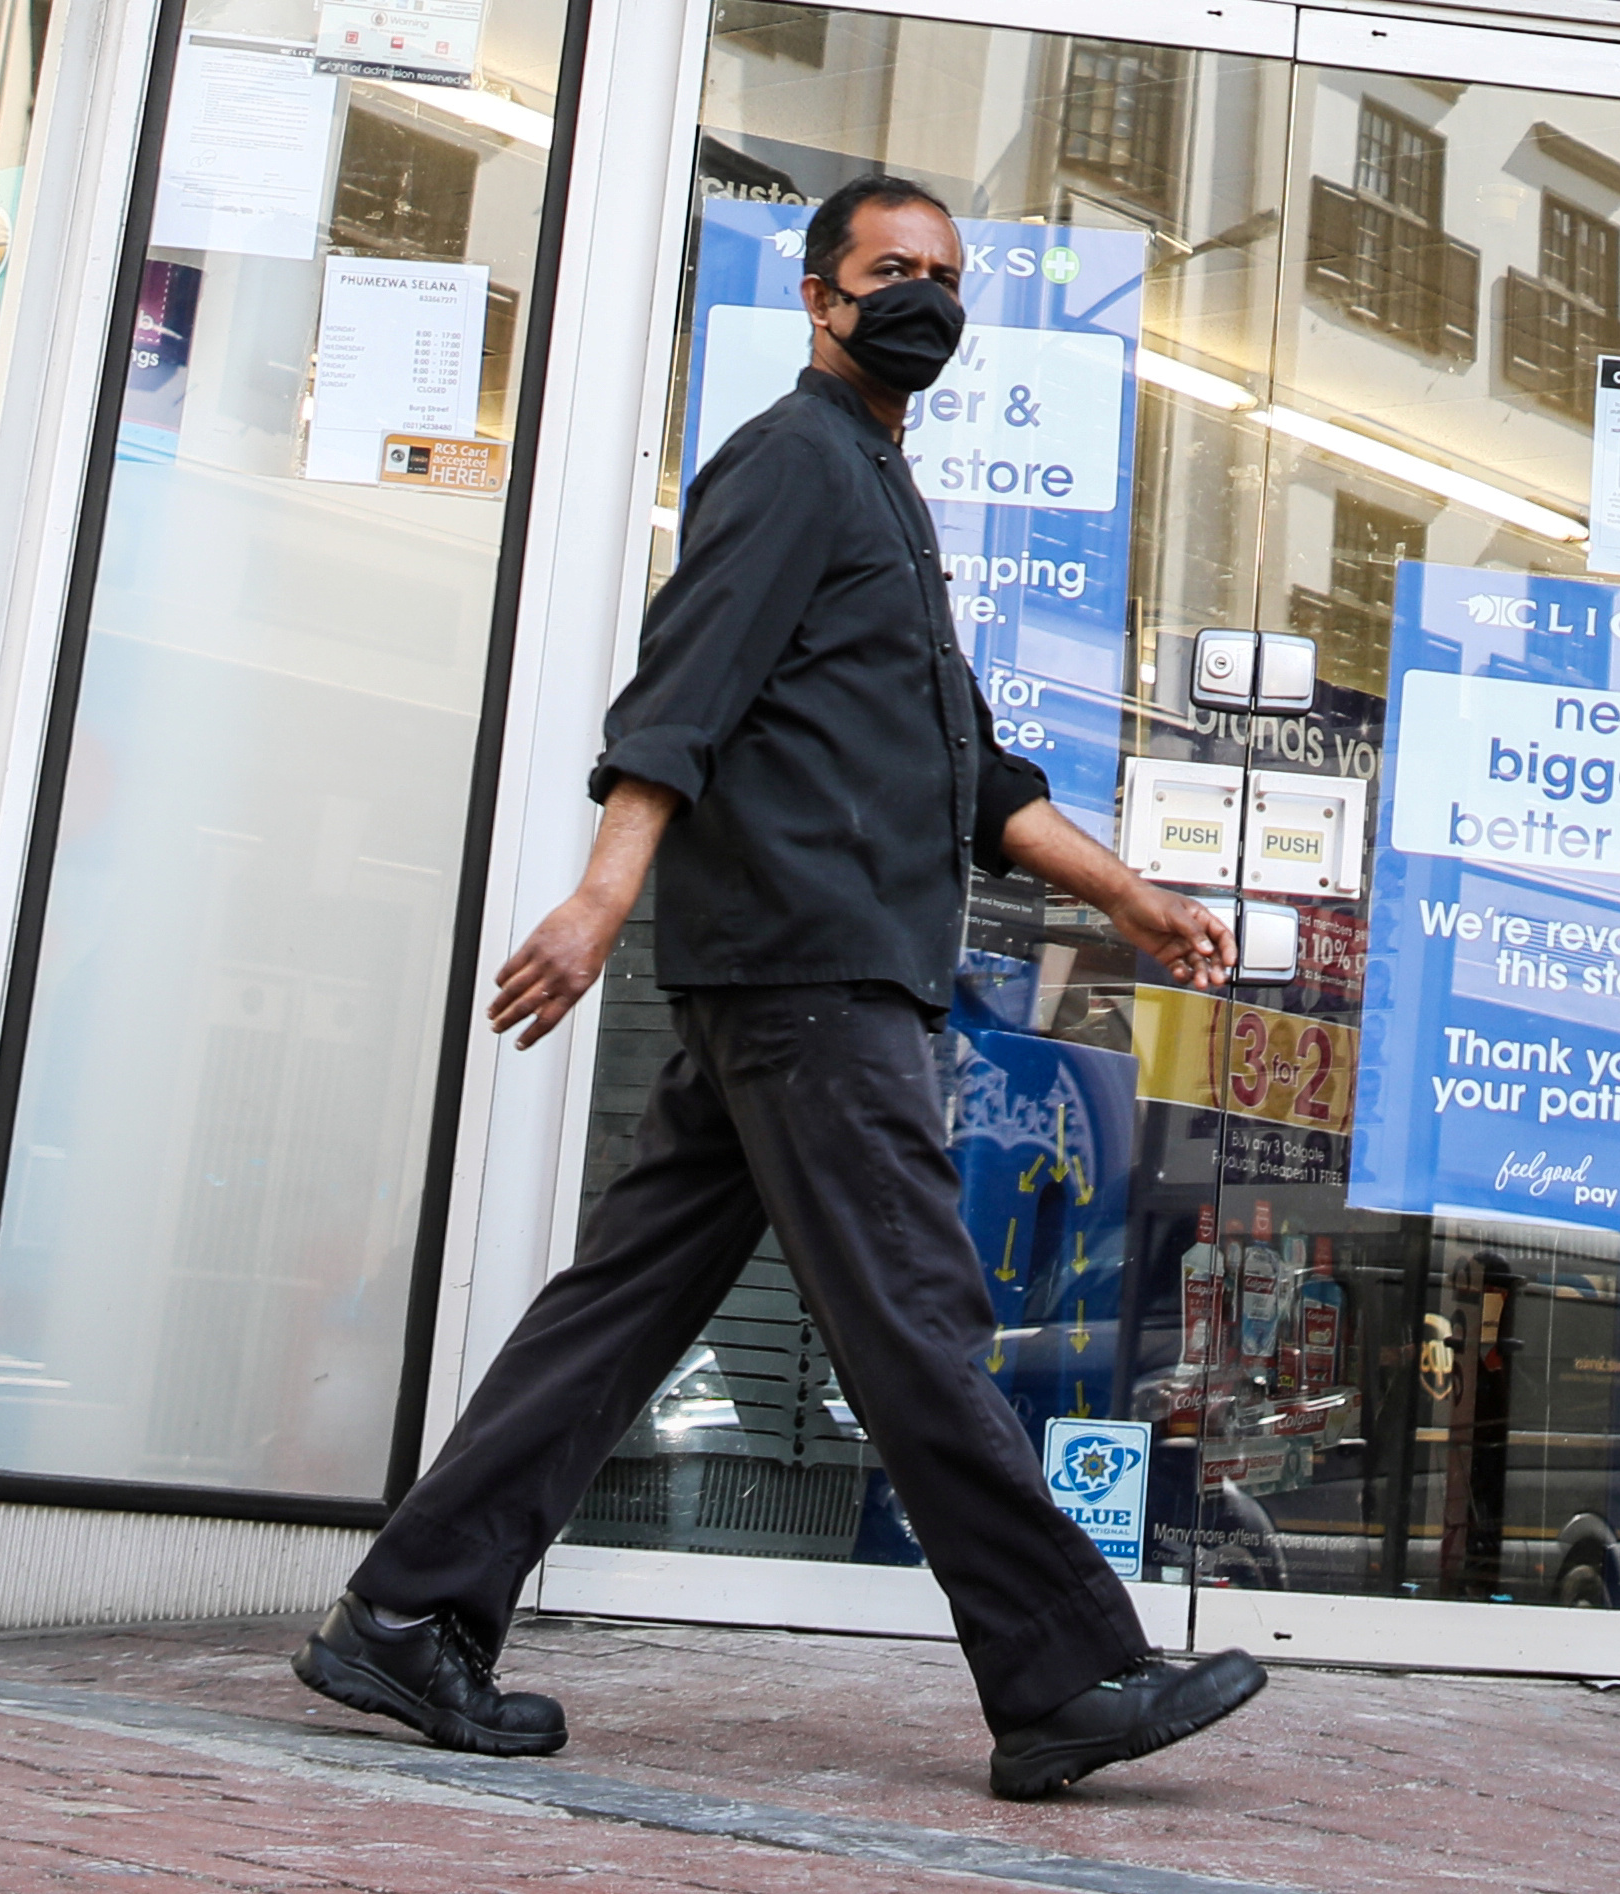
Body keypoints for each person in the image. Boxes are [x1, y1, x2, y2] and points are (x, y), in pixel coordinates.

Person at [300, 175, 1265, 1804]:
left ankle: (409, 1611)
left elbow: (981, 776)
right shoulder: (791, 462)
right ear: (824, 297)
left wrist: (1134, 900)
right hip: (812, 973)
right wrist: (605, 893)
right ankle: (1066, 1669)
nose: (926, 299)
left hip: (805, 975)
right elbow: (679, 689)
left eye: (947, 276)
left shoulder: (879, 489)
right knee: (915, 1311)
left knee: (622, 1305)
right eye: (894, 270)